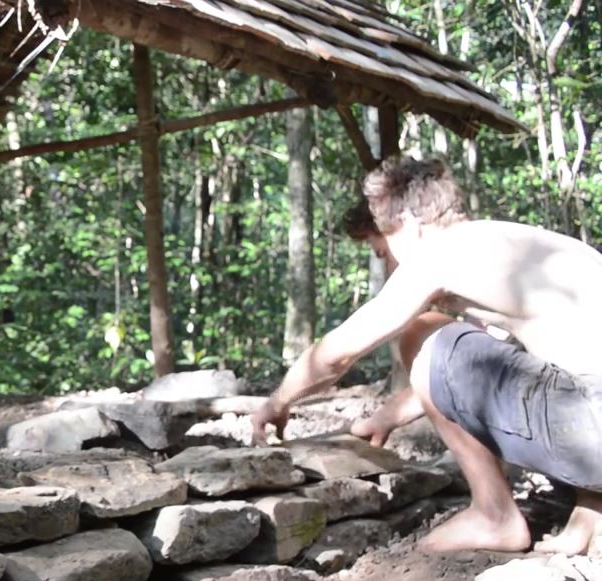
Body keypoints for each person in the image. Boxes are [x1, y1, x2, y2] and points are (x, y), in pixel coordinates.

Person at [250, 156, 602, 554]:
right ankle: (590, 515)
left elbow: (338, 354)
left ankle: (494, 515)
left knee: (424, 331)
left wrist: (279, 400)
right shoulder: (518, 244)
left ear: (410, 224)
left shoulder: (440, 252)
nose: (391, 263)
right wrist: (388, 415)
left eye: (384, 250)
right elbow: (485, 372)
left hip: (592, 425)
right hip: (592, 420)